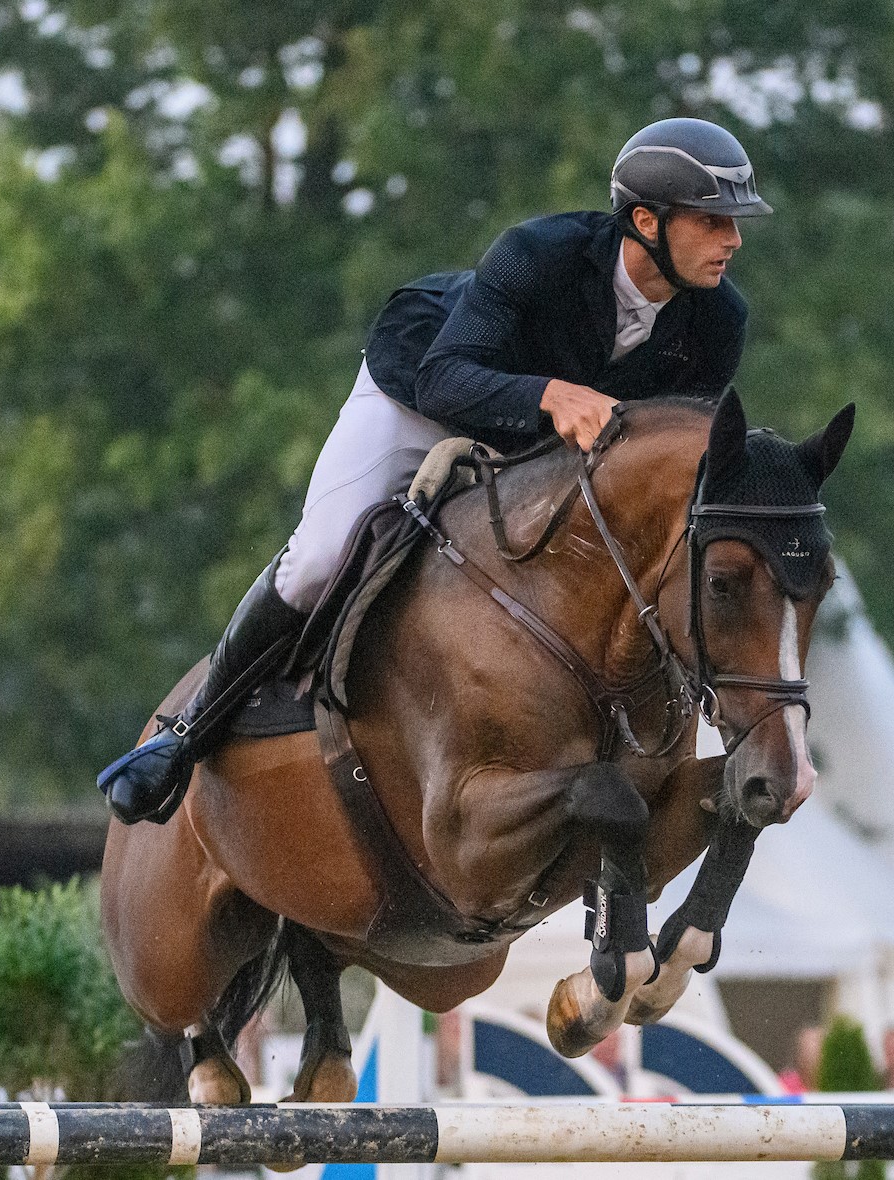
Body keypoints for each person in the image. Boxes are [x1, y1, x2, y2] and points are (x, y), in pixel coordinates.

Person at [97, 117, 774, 823]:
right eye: (713, 221)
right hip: (420, 395)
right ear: (645, 221)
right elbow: (445, 378)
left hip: (543, 455)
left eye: (733, 224)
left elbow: (669, 452)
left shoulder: (720, 319)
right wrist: (548, 394)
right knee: (319, 556)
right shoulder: (540, 254)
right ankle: (186, 736)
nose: (732, 241)